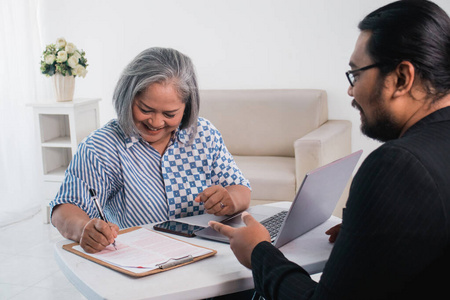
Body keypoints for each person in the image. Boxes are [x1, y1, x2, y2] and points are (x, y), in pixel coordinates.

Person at [209, 1, 450, 299]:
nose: (351, 91)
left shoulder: (398, 165)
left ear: (401, 78)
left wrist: (258, 252)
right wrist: (367, 231)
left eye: (356, 74)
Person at [50, 47, 251, 253]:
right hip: (141, 262)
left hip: (210, 255)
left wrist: (230, 200)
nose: (155, 122)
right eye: (145, 110)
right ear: (128, 98)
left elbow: (240, 188)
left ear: (187, 107)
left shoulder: (204, 134)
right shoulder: (101, 147)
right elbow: (64, 209)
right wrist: (84, 229)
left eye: (169, 113)